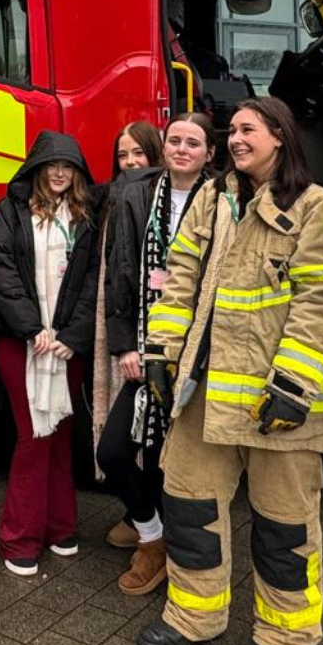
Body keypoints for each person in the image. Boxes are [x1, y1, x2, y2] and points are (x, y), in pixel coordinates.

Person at [134, 97, 323, 645]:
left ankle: (288, 635)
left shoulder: (315, 207)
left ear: (280, 135)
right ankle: (194, 616)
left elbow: (319, 303)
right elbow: (178, 281)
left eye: (248, 130)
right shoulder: (214, 197)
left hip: (280, 403)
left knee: (284, 523)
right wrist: (160, 354)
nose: (234, 139)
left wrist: (296, 383)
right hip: (203, 393)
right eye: (231, 131)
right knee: (188, 503)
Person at [95, 112, 214, 596]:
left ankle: (176, 550)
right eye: (174, 141)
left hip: (197, 353)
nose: (182, 149)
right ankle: (152, 535)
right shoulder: (134, 191)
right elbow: (119, 270)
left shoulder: (224, 197)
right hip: (146, 346)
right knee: (115, 451)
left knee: (176, 459)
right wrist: (125, 344)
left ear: (208, 153)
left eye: (193, 143)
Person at [0, 131, 101, 575]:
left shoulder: (86, 217)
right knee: (34, 435)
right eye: (51, 166)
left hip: (66, 345)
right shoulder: (7, 214)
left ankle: (59, 526)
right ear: (35, 170)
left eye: (67, 166)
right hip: (21, 342)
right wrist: (33, 330)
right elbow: (0, 275)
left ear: (77, 173)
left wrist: (73, 334)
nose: (58, 173)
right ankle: (19, 539)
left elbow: (93, 281)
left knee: (62, 433)